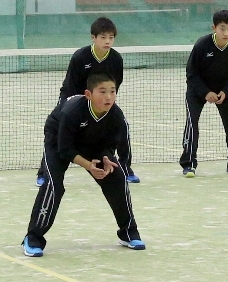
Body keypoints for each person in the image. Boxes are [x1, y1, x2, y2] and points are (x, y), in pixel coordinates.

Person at [23, 72, 143, 256]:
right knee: (53, 186)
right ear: (88, 94)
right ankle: (33, 237)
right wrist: (89, 166)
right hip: (58, 141)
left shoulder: (116, 115)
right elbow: (65, 150)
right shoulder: (72, 111)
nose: (108, 97)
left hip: (91, 143)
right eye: (102, 92)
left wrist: (105, 158)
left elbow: (110, 145)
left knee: (117, 179)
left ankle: (128, 231)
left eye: (112, 91)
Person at [39, 17, 137, 185]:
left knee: (122, 126)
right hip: (73, 99)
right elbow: (70, 86)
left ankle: (125, 168)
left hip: (99, 100)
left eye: (111, 38)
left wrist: (107, 103)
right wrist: (75, 106)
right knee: (57, 131)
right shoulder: (80, 57)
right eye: (103, 37)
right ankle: (44, 172)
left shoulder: (116, 59)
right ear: (93, 38)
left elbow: (115, 85)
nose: (107, 41)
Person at [179, 9, 228, 176]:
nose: (226, 32)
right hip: (198, 90)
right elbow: (191, 73)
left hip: (224, 90)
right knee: (192, 123)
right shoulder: (202, 45)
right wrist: (205, 92)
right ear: (214, 28)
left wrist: (226, 90)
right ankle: (189, 164)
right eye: (222, 28)